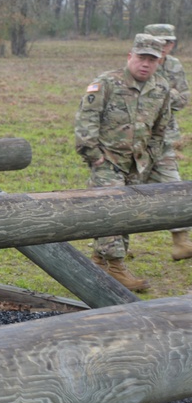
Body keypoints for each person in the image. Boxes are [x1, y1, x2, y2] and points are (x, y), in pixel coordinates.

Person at [74, 34, 173, 291]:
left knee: (128, 213)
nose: (145, 64)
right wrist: (95, 157)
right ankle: (116, 266)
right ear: (130, 57)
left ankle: (98, 261)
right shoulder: (107, 83)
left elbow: (161, 129)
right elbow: (86, 123)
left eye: (152, 60)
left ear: (159, 61)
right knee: (112, 208)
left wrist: (149, 157)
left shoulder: (161, 89)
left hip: (137, 163)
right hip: (107, 160)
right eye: (141, 58)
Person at [143, 23, 192, 260]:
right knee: (123, 191)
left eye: (169, 42)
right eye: (161, 42)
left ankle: (181, 242)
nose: (165, 47)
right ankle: (112, 251)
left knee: (174, 185)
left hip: (164, 138)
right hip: (135, 140)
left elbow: (183, 98)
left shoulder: (174, 65)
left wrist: (167, 96)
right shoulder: (139, 63)